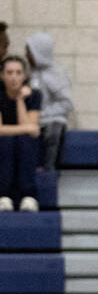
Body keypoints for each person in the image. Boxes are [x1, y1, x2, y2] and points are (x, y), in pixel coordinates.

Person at [24, 32, 73, 172]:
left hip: (51, 126)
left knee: (53, 130)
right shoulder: (31, 73)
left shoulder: (55, 74)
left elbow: (67, 103)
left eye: (29, 52)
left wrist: (42, 114)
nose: (26, 55)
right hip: (35, 126)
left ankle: (48, 173)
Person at [0, 55, 41, 212]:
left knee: (25, 140)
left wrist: (19, 100)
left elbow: (30, 130)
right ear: (2, 75)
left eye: (18, 72)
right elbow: (29, 127)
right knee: (7, 141)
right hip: (4, 145)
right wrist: (27, 129)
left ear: (24, 76)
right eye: (9, 72)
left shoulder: (34, 95)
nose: (14, 77)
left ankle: (28, 197)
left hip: (26, 146)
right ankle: (3, 196)